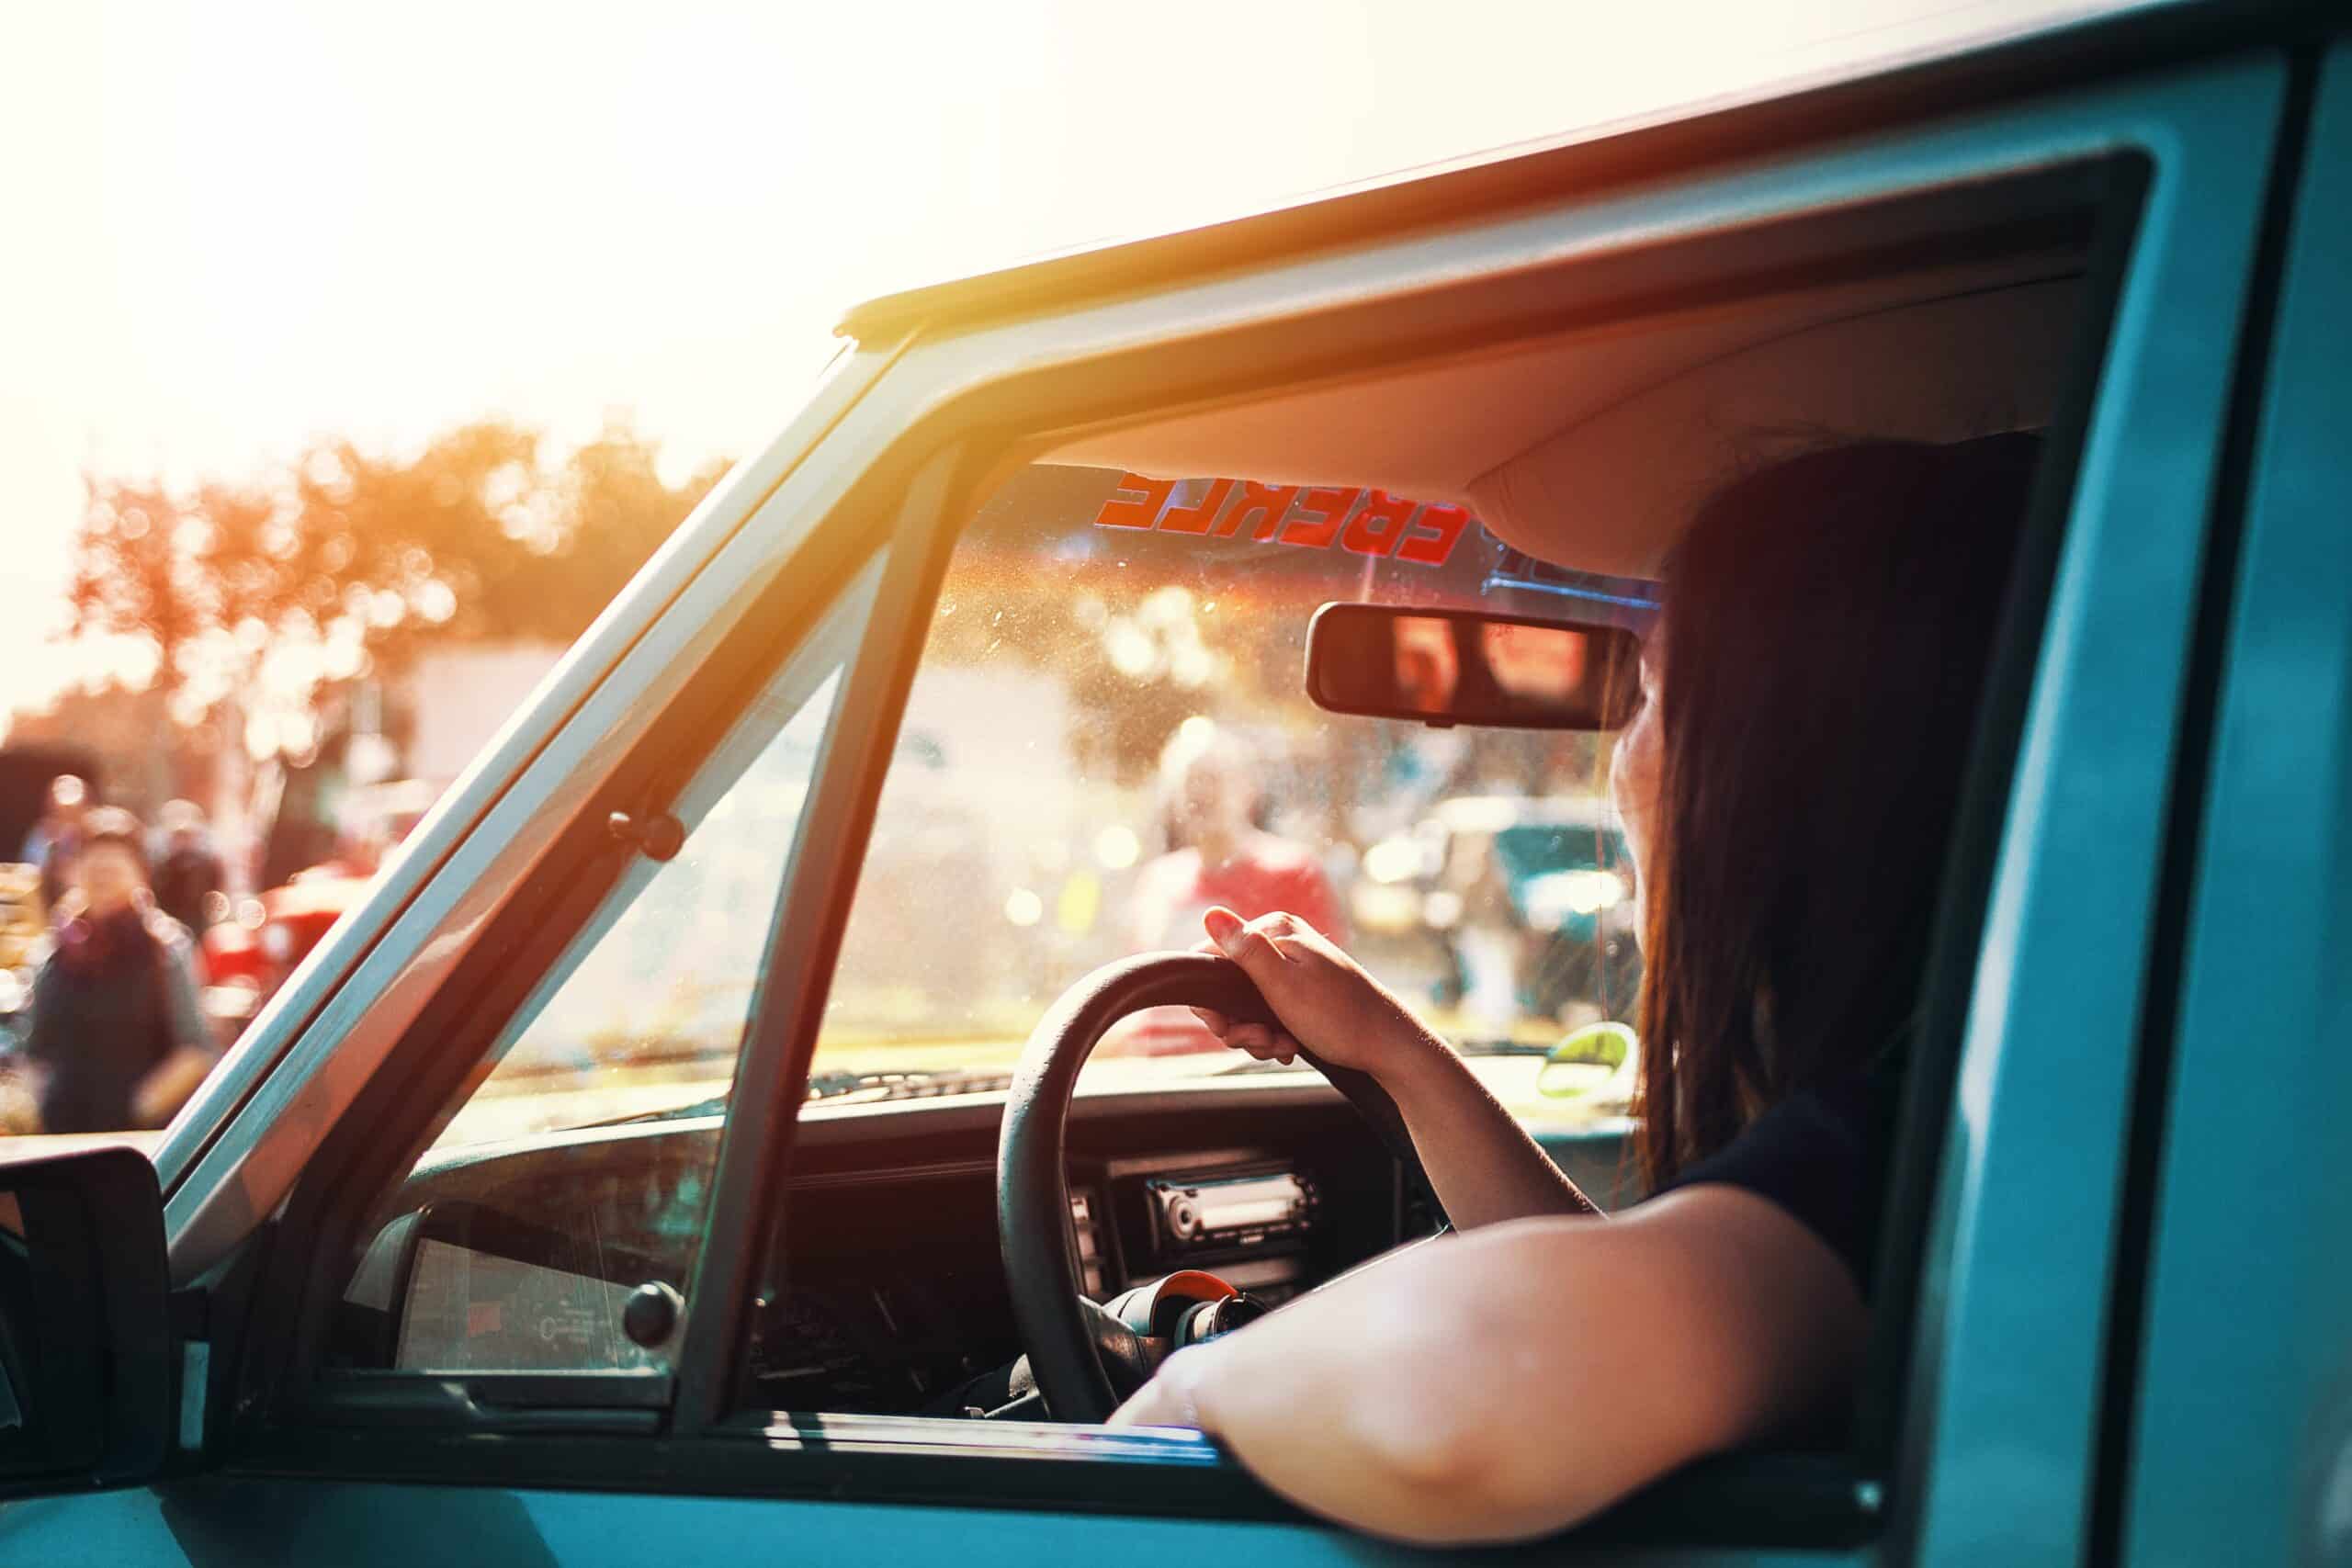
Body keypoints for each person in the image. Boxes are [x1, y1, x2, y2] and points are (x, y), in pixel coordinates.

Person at [1108, 435, 2039, 1545]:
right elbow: (1629, 1302)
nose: (1618, 760)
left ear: (1779, 765)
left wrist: (1183, 1392)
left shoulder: (1887, 1146)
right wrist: (1397, 1051)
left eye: (1647, 694)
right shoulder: (1968, 1099)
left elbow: (1468, 1388)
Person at [1114, 725, 1344, 1055]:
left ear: (1248, 789)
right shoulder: (1159, 880)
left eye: (1213, 778)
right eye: (1188, 780)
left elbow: (1327, 996)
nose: (1200, 792)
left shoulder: (1292, 871)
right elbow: (1137, 995)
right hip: (1154, 1076)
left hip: (1239, 1078)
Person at [22, 807, 219, 1134]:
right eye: (93, 864)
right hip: (58, 1143)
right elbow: (34, 1049)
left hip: (135, 1149)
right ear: (74, 871)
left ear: (141, 874)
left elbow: (196, 1050)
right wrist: (44, 1107)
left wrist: (136, 1110)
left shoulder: (165, 948)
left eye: (114, 867)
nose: (102, 875)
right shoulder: (54, 951)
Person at [152, 798, 226, 934]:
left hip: (199, 924)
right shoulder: (161, 867)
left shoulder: (207, 865)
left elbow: (214, 895)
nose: (182, 842)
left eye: (187, 836)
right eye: (178, 836)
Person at [24, 773, 89, 915]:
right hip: (43, 901)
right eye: (59, 810)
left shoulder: (90, 837)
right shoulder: (41, 834)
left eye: (70, 811)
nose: (64, 816)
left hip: (78, 904)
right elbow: (30, 867)